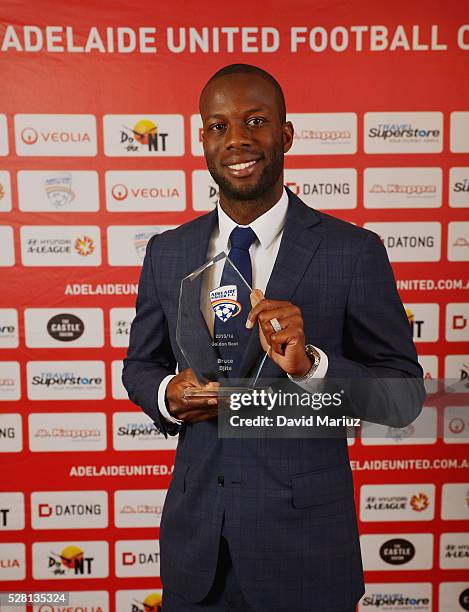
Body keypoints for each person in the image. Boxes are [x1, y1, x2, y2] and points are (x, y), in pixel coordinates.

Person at [123, 64, 424, 612]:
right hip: (198, 555)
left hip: (305, 553)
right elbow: (140, 367)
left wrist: (311, 366)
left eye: (255, 121)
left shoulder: (352, 252)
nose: (236, 140)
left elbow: (403, 397)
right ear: (202, 139)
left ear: (285, 134)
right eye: (218, 126)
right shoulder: (167, 252)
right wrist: (168, 394)